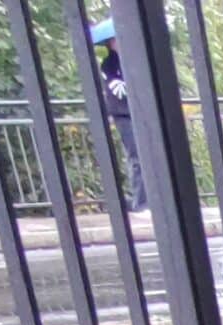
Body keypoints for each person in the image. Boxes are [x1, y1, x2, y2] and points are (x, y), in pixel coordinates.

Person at [90, 18, 145, 214]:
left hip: (142, 112)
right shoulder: (109, 64)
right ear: (111, 43)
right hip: (123, 115)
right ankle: (141, 203)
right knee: (137, 157)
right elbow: (119, 90)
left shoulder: (137, 59)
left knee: (151, 155)